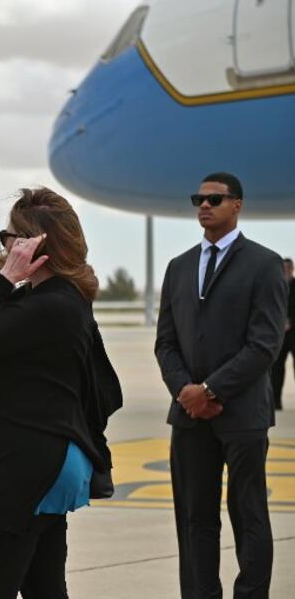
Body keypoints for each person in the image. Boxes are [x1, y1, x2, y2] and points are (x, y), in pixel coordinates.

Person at [0, 188, 112, 598]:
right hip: (46, 457)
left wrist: (3, 279)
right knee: (45, 585)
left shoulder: (49, 305)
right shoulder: (58, 300)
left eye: (11, 238)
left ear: (35, 246)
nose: (5, 248)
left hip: (23, 464)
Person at [155, 172, 286, 598]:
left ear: (237, 205)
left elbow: (265, 343)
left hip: (242, 414)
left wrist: (210, 390)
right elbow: (166, 343)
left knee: (248, 515)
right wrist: (186, 392)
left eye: (215, 198)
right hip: (189, 416)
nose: (204, 205)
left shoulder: (264, 264)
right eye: (199, 198)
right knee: (194, 518)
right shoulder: (178, 268)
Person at [271, 257, 295, 410]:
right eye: (284, 268)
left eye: (288, 268)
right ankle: (275, 402)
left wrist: (291, 322)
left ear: (292, 268)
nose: (286, 270)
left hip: (294, 332)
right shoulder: (275, 286)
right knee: (276, 368)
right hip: (279, 334)